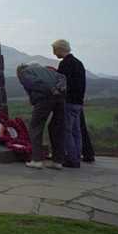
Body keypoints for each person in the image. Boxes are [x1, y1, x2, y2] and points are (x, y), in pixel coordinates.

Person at [16, 63, 66, 169]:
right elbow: (62, 77)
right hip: (60, 98)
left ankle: (37, 160)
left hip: (45, 98)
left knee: (35, 127)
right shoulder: (47, 70)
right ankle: (58, 161)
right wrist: (58, 90)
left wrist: (51, 90)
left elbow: (35, 84)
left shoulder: (24, 73)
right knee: (56, 127)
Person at [52, 39, 86, 168]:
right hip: (78, 102)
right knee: (76, 131)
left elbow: (61, 85)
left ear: (60, 49)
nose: (54, 53)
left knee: (67, 131)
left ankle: (72, 159)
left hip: (68, 101)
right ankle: (77, 156)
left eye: (55, 50)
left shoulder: (64, 64)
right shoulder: (79, 63)